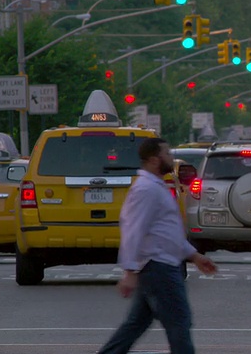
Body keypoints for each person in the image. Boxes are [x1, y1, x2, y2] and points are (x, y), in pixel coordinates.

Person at [97, 138, 217, 354]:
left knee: (136, 324)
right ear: (154, 160)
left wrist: (194, 256)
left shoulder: (156, 187)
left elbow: (166, 232)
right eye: (167, 154)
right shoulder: (146, 190)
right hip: (159, 267)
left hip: (157, 265)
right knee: (179, 322)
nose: (171, 158)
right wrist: (130, 271)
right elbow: (134, 229)